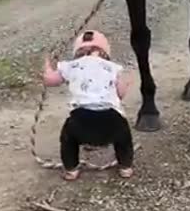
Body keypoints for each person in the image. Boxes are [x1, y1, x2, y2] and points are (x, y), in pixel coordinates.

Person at [43, 30, 135, 181]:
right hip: (111, 120)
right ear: (105, 51)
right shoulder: (112, 67)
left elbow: (49, 80)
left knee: (68, 138)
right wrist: (126, 83)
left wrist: (47, 66)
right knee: (124, 137)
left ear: (77, 51)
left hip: (80, 120)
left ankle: (71, 169)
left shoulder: (71, 66)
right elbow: (120, 93)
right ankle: (125, 167)